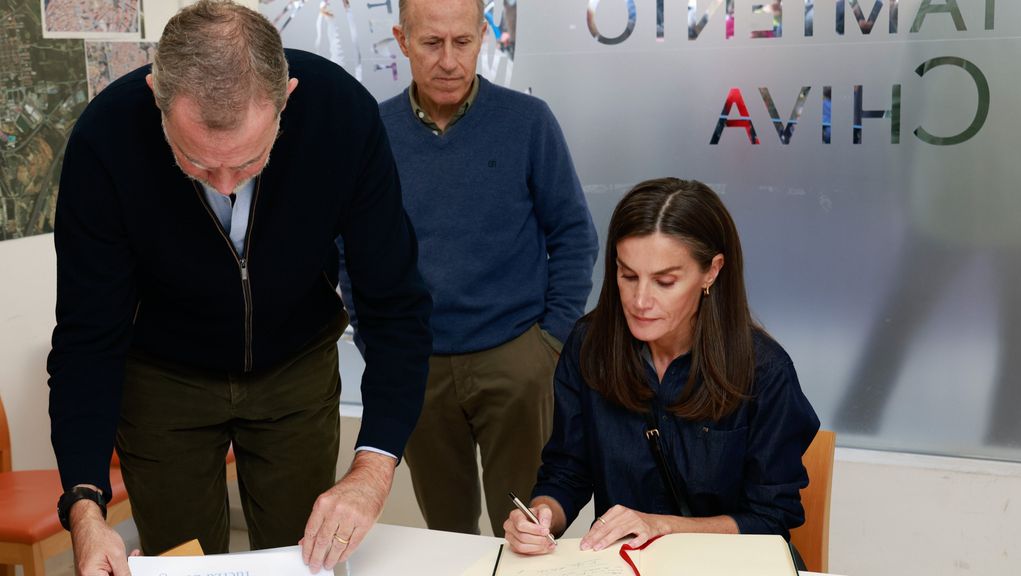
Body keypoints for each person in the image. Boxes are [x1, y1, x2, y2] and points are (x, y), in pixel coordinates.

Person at [46, 1, 431, 574]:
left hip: (295, 368)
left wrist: (373, 470)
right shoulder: (105, 141)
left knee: (307, 554)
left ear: (286, 98)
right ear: (157, 98)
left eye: (250, 161)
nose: (225, 185)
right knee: (180, 560)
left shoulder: (340, 115)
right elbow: (86, 338)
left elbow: (394, 305)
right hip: (162, 378)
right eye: (196, 163)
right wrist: (85, 506)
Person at [348, 0, 598, 537]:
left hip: (516, 358)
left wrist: (548, 344)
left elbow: (574, 236)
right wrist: (378, 343)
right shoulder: (372, 132)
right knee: (446, 530)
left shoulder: (528, 122)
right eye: (431, 43)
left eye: (462, 42)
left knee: (528, 527)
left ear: (482, 36)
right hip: (416, 365)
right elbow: (350, 252)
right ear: (402, 40)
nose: (449, 60)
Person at [503, 178, 819, 559]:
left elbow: (771, 519)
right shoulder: (589, 346)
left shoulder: (765, 370)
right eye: (627, 275)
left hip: (728, 564)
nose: (639, 300)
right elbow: (567, 470)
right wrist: (541, 516)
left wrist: (663, 526)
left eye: (664, 281)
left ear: (712, 271)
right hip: (625, 564)